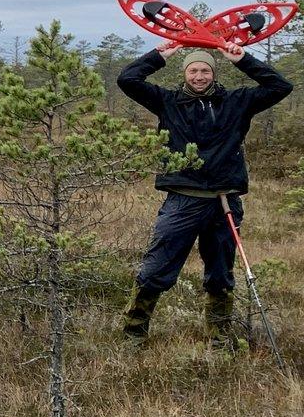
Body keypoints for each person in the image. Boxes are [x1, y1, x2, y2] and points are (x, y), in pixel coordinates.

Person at [116, 38, 292, 343]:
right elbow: (127, 79)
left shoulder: (238, 102)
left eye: (205, 71)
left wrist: (242, 58)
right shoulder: (167, 102)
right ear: (185, 73)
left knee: (221, 274)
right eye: (193, 70)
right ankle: (133, 335)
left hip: (224, 201)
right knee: (157, 269)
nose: (199, 76)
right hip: (183, 200)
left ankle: (220, 340)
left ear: (214, 73)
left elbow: (280, 86)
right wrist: (159, 55)